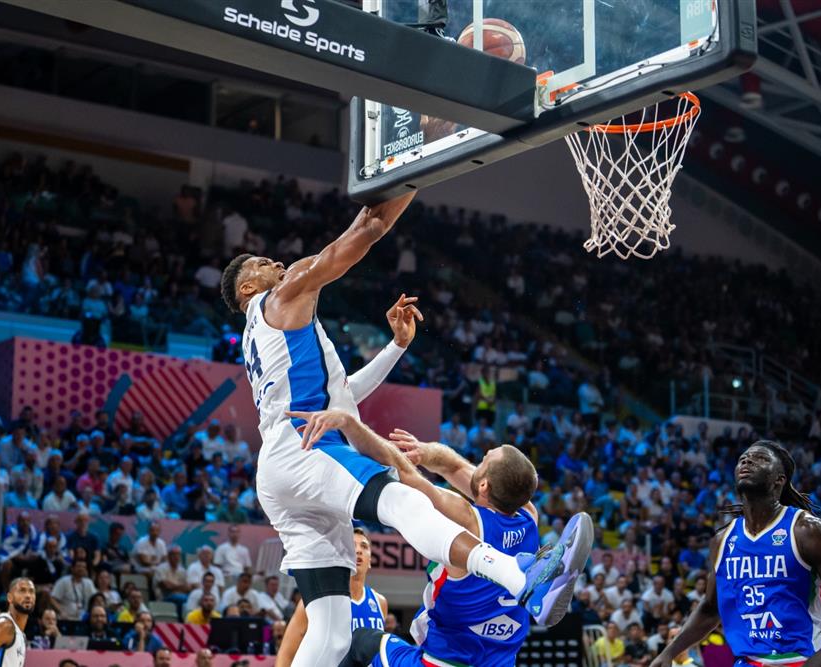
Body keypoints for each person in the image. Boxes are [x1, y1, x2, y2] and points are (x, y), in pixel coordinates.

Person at [221, 193, 583, 664]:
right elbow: (358, 238)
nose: (273, 261)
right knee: (402, 499)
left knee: (332, 635)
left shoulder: (267, 331)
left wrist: (394, 346)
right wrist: (410, 175)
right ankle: (522, 580)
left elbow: (343, 394)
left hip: (281, 470)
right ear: (248, 291)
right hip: (306, 450)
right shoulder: (282, 295)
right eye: (259, 265)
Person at [337, 423, 590, 667]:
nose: (480, 459)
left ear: (484, 485)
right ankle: (546, 578)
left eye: (485, 459)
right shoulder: (529, 517)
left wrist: (349, 426)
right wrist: (425, 452)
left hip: (444, 661)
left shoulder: (467, 520)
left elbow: (402, 472)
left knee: (362, 640)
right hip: (499, 662)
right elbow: (455, 466)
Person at [651, 441, 821, 667]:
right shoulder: (723, 540)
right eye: (743, 458)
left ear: (779, 480)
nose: (747, 461)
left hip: (814, 658)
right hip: (751, 661)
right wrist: (669, 652)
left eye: (761, 458)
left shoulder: (808, 531)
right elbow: (710, 608)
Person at [277, 528, 389, 666]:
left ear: (370, 560)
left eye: (364, 546)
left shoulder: (380, 602)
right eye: (352, 545)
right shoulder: (317, 599)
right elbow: (286, 653)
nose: (359, 550)